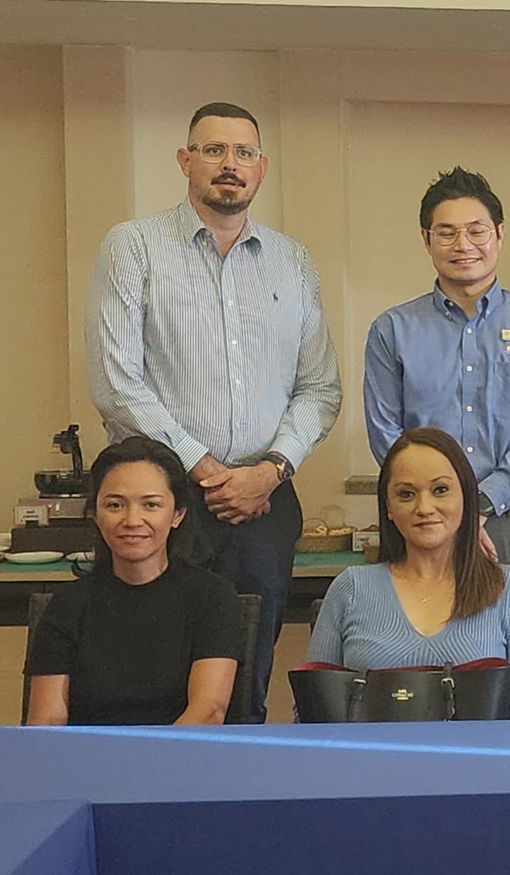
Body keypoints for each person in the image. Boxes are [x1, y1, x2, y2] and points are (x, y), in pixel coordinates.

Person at [84, 101, 341, 722]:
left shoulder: (292, 261)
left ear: (262, 168)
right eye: (214, 150)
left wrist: (271, 469)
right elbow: (117, 382)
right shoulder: (135, 246)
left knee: (248, 672)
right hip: (165, 503)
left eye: (244, 153)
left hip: (264, 502)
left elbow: (321, 389)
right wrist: (204, 469)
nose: (231, 165)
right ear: (185, 160)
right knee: (152, 670)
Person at [364, 167, 510, 621]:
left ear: (498, 235)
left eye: (476, 231)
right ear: (426, 239)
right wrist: (442, 502)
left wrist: (480, 501)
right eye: (447, 232)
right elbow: (386, 433)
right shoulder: (392, 330)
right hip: (424, 520)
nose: (464, 245)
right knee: (419, 648)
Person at [308, 428, 510, 719]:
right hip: (369, 762)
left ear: (466, 497)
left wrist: (447, 752)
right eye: (406, 494)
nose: (424, 508)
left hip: (478, 763)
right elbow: (311, 710)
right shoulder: (350, 588)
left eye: (440, 490)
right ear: (387, 507)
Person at [26, 437, 243, 726]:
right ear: (94, 514)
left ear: (177, 514)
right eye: (115, 505)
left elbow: (208, 710)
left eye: (151, 505)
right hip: (89, 764)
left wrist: (147, 764)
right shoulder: (68, 605)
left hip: (180, 760)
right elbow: (47, 724)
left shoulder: (212, 597)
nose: (132, 520)